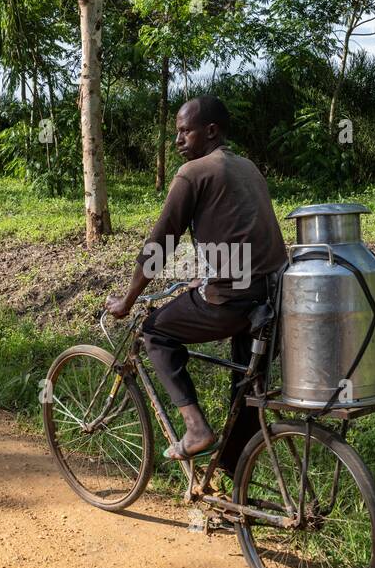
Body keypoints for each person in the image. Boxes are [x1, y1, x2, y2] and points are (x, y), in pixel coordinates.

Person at [106, 95, 287, 484]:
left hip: (232, 299)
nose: (178, 141)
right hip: (272, 297)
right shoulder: (248, 167)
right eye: (176, 132)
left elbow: (160, 243)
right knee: (246, 392)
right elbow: (241, 231)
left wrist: (128, 300)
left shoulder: (193, 174)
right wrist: (207, 274)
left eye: (185, 131)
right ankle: (236, 488)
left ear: (211, 131)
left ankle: (195, 428)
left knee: (154, 331)